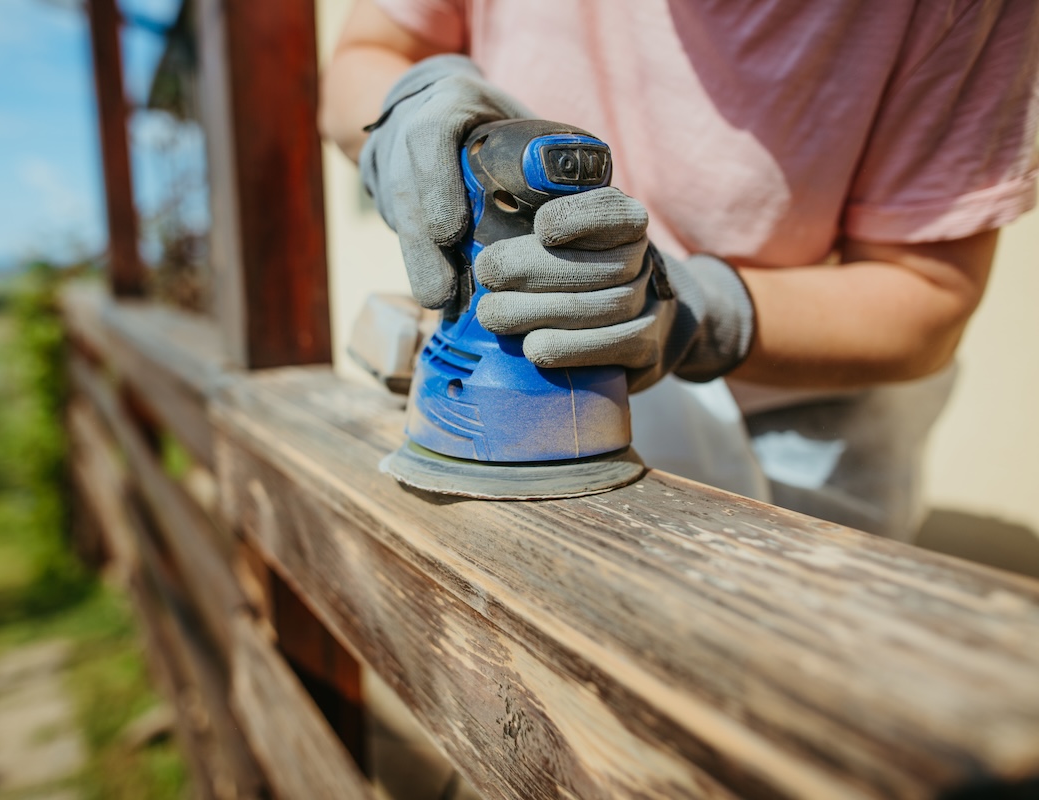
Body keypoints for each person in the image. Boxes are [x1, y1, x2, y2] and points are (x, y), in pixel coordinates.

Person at [320, 0, 1039, 539]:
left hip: (791, 436)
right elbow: (371, 49)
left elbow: (927, 294)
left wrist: (691, 309)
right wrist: (409, 104)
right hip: (505, 370)